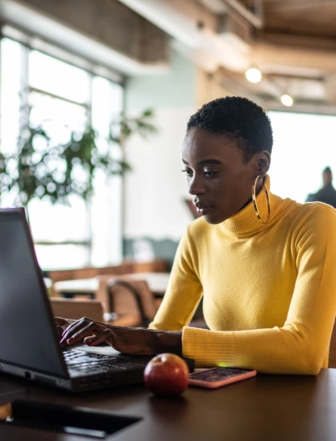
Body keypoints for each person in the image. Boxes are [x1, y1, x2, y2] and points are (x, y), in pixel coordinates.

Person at [57, 96, 336, 375]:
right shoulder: (197, 235)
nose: (194, 187)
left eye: (210, 172)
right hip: (218, 404)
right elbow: (162, 332)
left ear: (260, 165)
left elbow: (304, 351)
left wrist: (155, 339)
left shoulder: (314, 223)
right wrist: (103, 339)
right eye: (188, 171)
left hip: (295, 413)